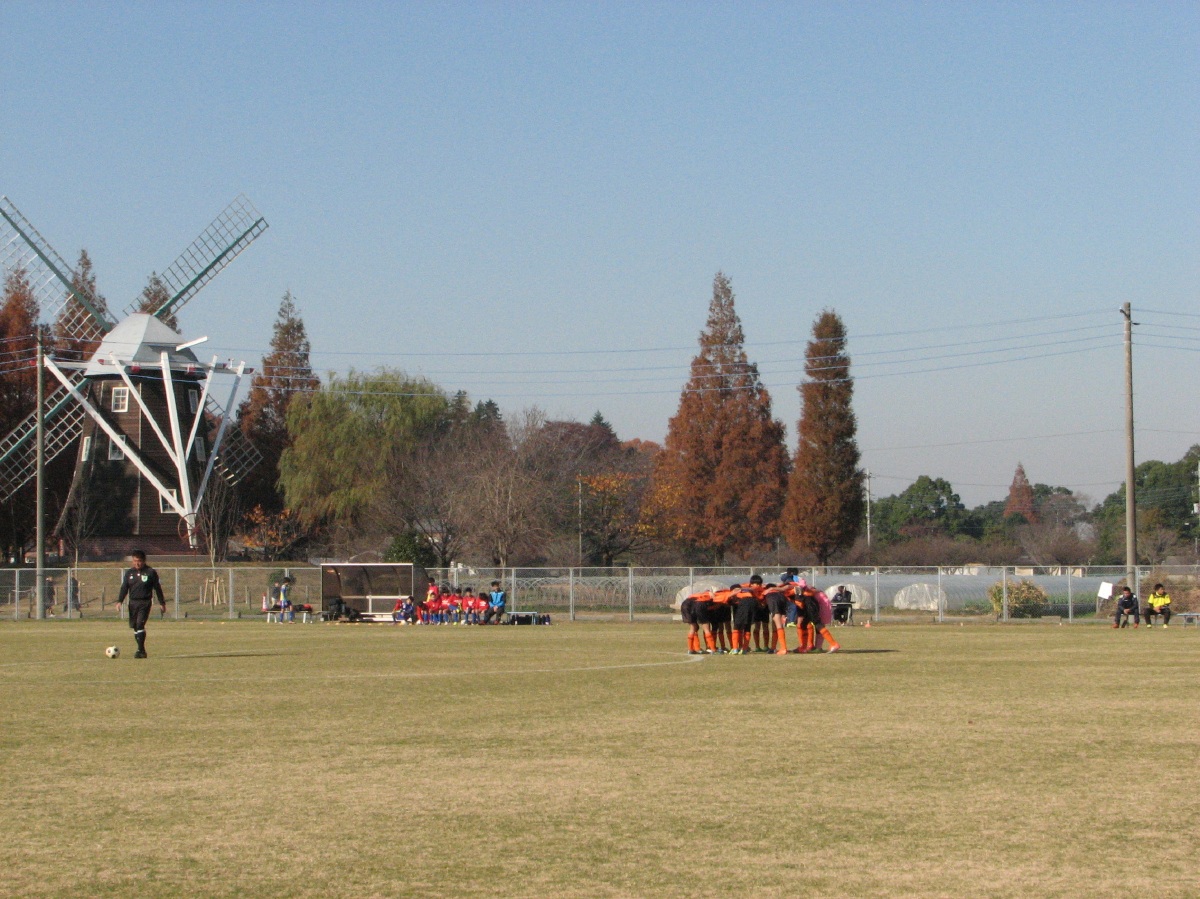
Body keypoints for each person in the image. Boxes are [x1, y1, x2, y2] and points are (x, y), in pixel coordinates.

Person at [116, 550, 166, 658]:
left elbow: (157, 588)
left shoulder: (150, 572)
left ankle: (140, 650)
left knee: (140, 624)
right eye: (134, 561)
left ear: (144, 561)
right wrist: (119, 601)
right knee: (135, 626)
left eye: (139, 561)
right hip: (132, 603)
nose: (137, 563)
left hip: (145, 602)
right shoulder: (129, 573)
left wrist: (162, 603)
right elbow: (124, 587)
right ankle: (141, 650)